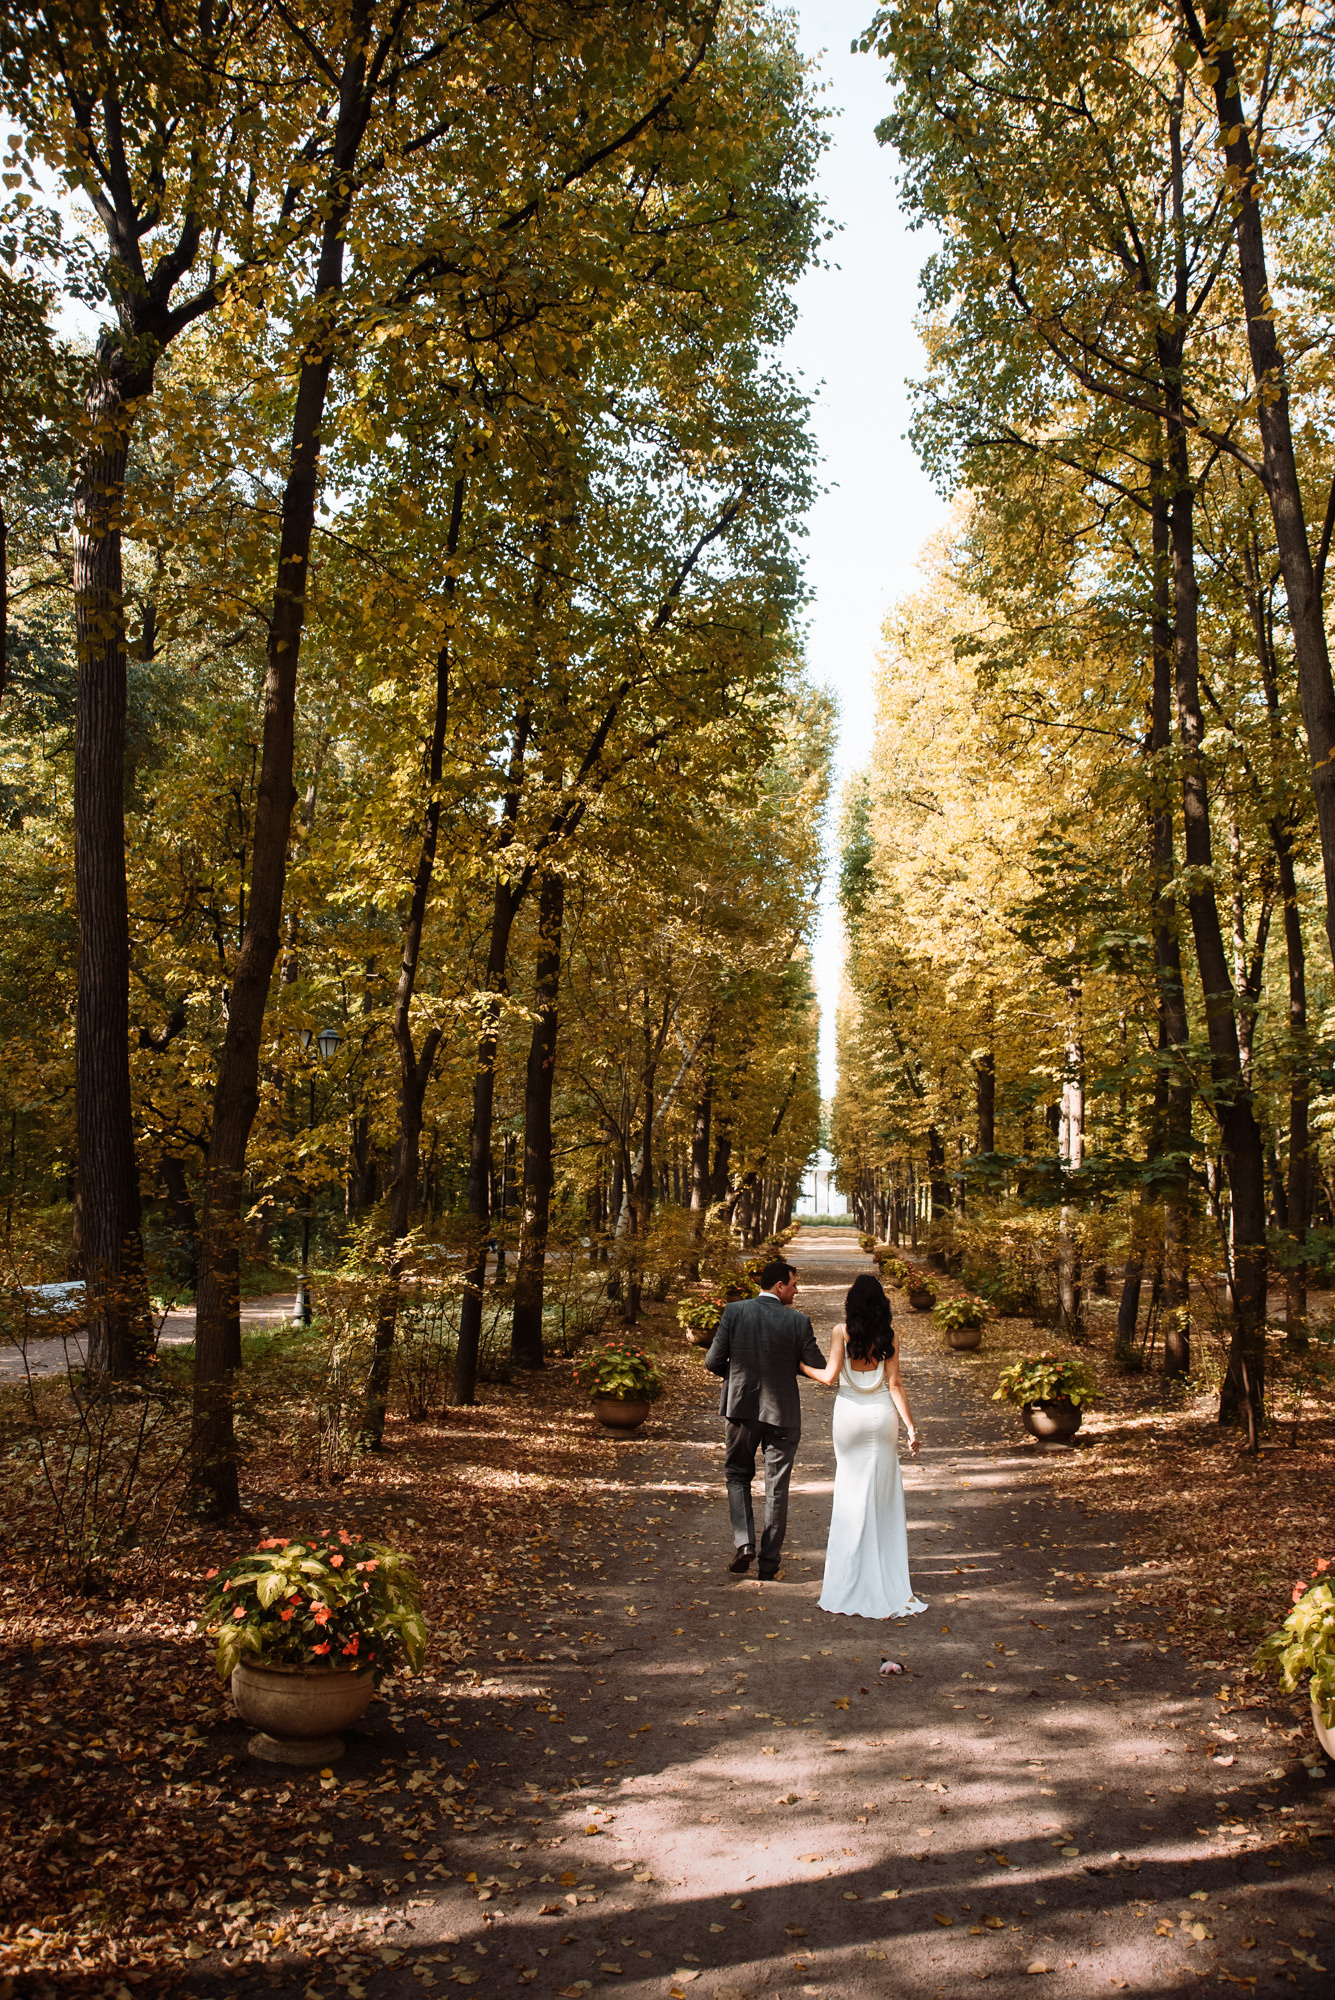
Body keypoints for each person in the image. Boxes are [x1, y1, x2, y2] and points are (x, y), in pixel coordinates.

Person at [801, 1272, 928, 1624]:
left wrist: (799, 1364)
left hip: (849, 1418)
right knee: (882, 1497)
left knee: (850, 1493)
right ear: (882, 1303)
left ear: (851, 1302)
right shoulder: (890, 1337)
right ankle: (884, 1570)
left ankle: (849, 1574)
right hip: (882, 1417)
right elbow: (895, 1383)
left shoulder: (841, 1332)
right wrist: (911, 1426)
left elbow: (828, 1377)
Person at [703, 1257, 825, 1579]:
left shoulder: (735, 1312)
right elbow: (817, 1365)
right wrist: (789, 1364)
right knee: (777, 1486)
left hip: (741, 1408)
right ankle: (769, 1565)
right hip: (783, 1413)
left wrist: (736, 1378)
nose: (797, 1291)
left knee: (738, 1475)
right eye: (794, 1284)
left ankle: (745, 1544)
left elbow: (712, 1360)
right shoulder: (799, 1322)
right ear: (779, 1286)